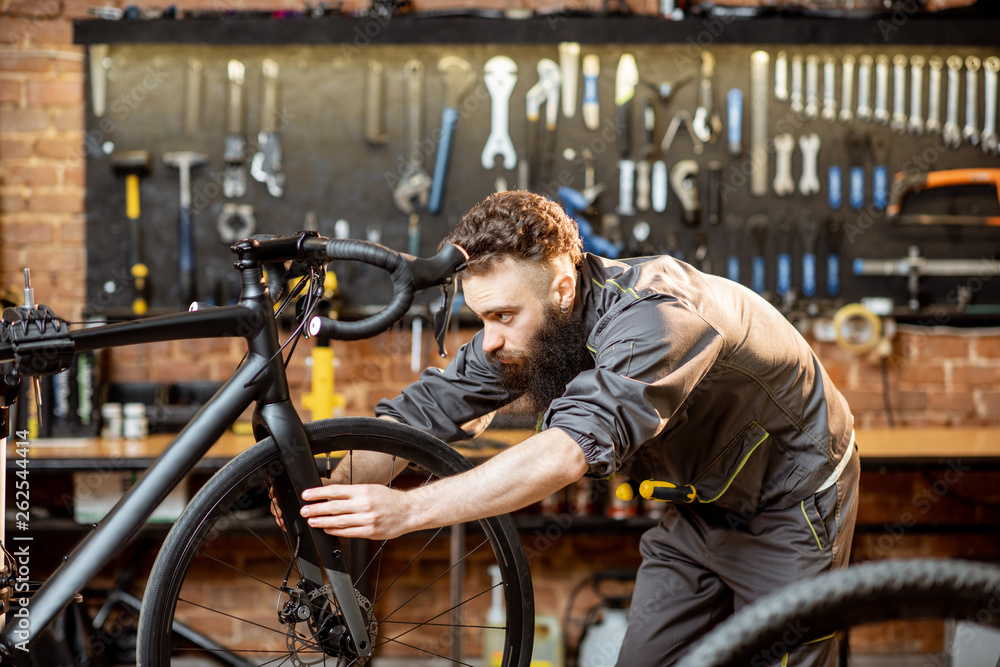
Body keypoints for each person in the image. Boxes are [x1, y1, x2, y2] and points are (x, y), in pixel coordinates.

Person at [292, 190, 859, 666]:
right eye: (481, 316)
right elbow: (424, 414)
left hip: (790, 505)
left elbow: (566, 453)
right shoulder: (530, 329)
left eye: (503, 316)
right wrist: (325, 503)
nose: (489, 338)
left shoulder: (657, 318)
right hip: (697, 511)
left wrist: (409, 512)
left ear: (562, 288)